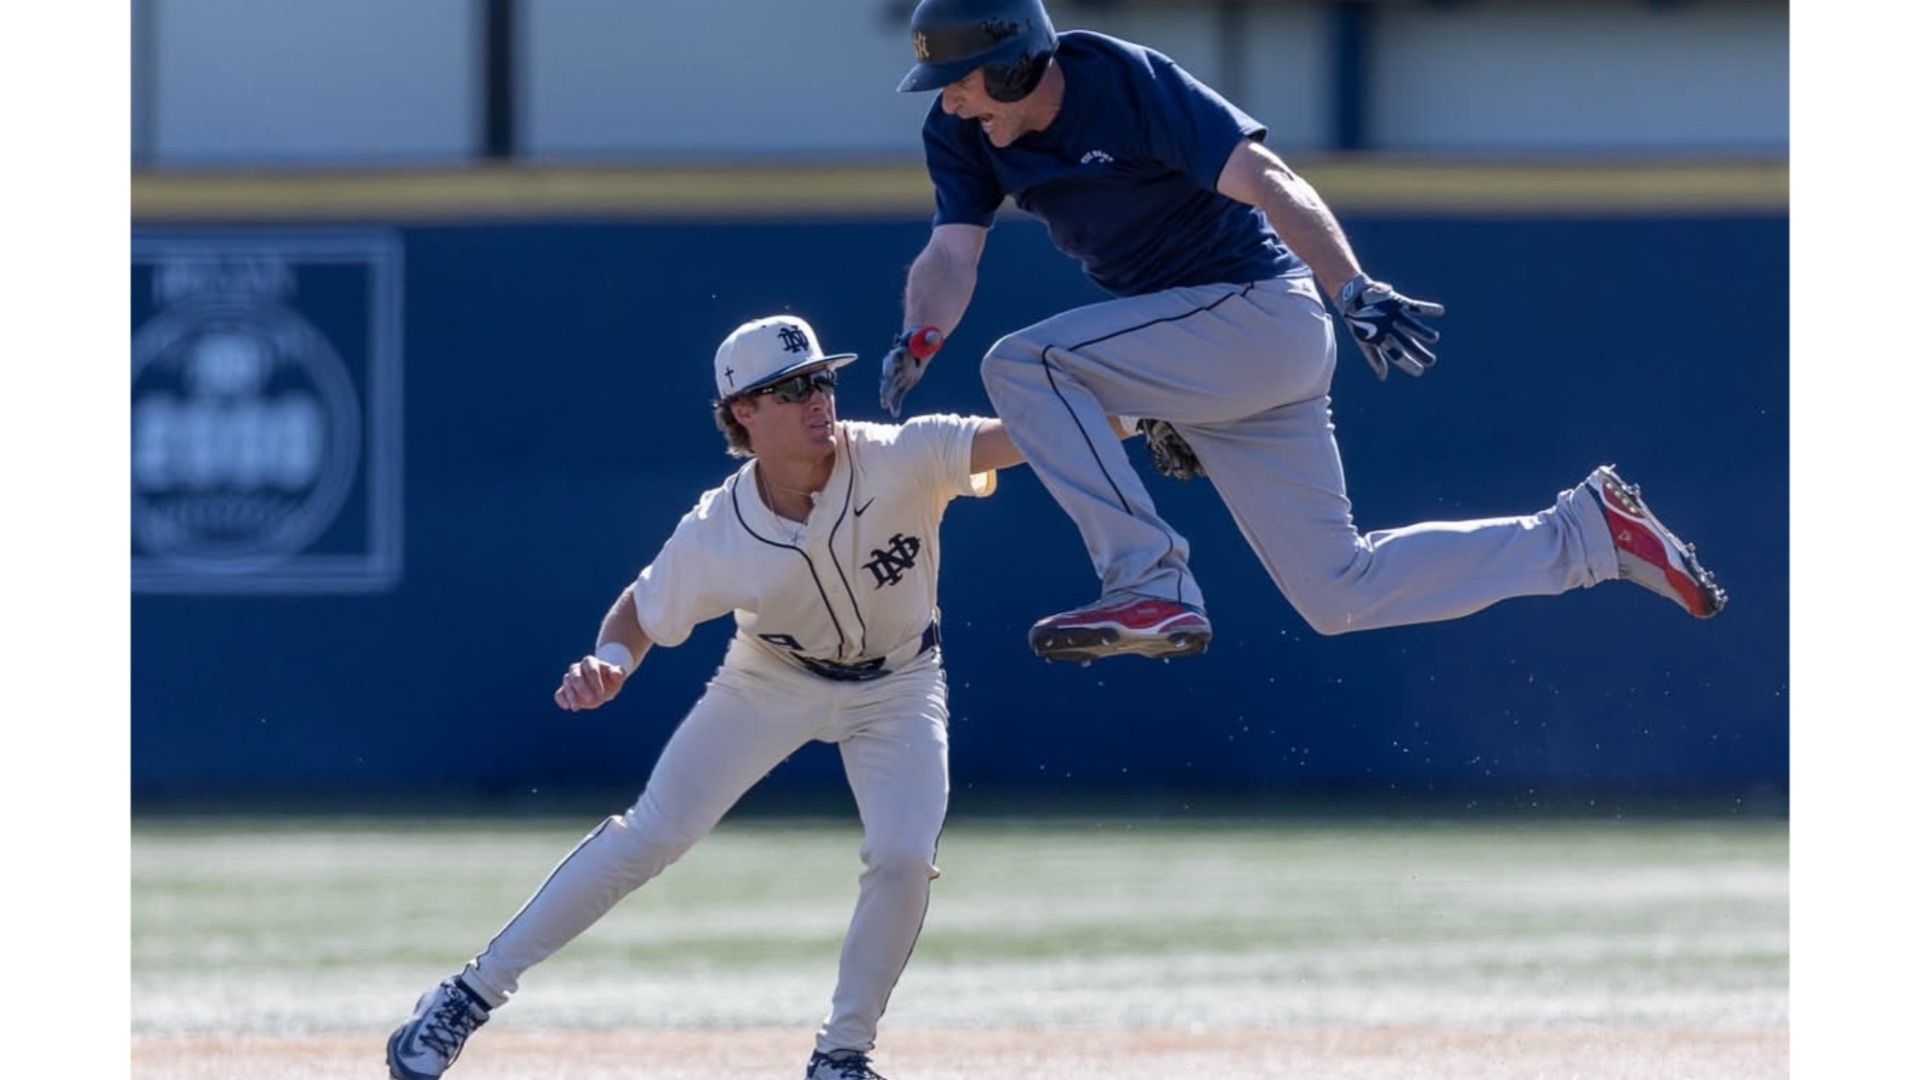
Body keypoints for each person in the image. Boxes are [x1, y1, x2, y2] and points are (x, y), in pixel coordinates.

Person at [878, 0, 1725, 664]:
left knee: (1024, 362)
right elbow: (951, 257)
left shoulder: (1128, 83)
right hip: (1204, 349)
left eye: (964, 78)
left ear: (1020, 62)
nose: (950, 97)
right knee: (1340, 592)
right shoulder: (963, 132)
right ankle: (1585, 535)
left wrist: (1350, 286)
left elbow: (1271, 180)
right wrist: (919, 337)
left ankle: (1146, 581)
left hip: (1258, 313)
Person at [385, 314, 1030, 1080]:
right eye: (790, 389)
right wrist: (612, 662)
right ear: (742, 415)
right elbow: (638, 609)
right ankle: (466, 995)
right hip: (773, 677)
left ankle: (841, 1055)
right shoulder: (720, 528)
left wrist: (1149, 405)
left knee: (901, 856)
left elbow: (1021, 435)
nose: (817, 398)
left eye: (822, 379)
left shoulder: (900, 455)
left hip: (900, 680)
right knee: (652, 835)